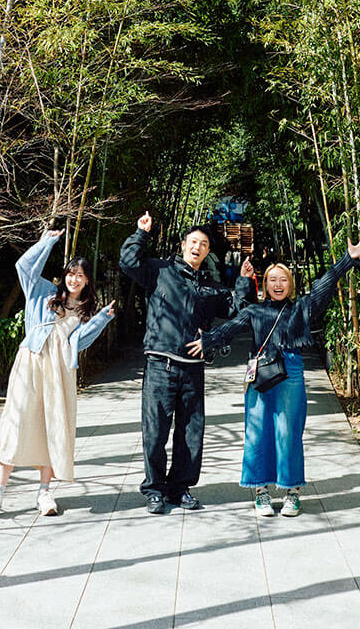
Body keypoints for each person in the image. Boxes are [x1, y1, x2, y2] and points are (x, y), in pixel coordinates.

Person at [187, 239, 360, 517]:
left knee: (288, 433)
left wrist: (348, 259)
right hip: (259, 375)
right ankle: (260, 491)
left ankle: (291, 491)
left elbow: (323, 286)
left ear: (290, 285)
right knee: (257, 433)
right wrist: (208, 341)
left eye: (283, 279)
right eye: (272, 279)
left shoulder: (301, 309)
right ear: (264, 285)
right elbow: (231, 328)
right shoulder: (255, 310)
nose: (277, 284)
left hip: (290, 373)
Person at [0, 229, 115, 517]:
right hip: (31, 362)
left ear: (87, 280)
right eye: (70, 273)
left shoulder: (86, 310)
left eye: (80, 275)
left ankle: (44, 492)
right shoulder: (42, 292)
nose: (74, 279)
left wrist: (102, 318)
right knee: (16, 421)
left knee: (53, 425)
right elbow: (23, 266)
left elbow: (81, 341)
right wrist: (46, 242)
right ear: (64, 275)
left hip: (59, 372)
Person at [121, 211, 252, 514]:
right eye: (193, 242)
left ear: (208, 252)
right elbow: (128, 263)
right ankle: (154, 489)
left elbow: (237, 311)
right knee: (155, 432)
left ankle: (180, 489)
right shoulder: (160, 270)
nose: (197, 247)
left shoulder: (210, 285)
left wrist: (244, 281)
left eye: (203, 244)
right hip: (160, 364)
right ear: (183, 245)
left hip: (192, 369)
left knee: (191, 433)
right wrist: (141, 234)